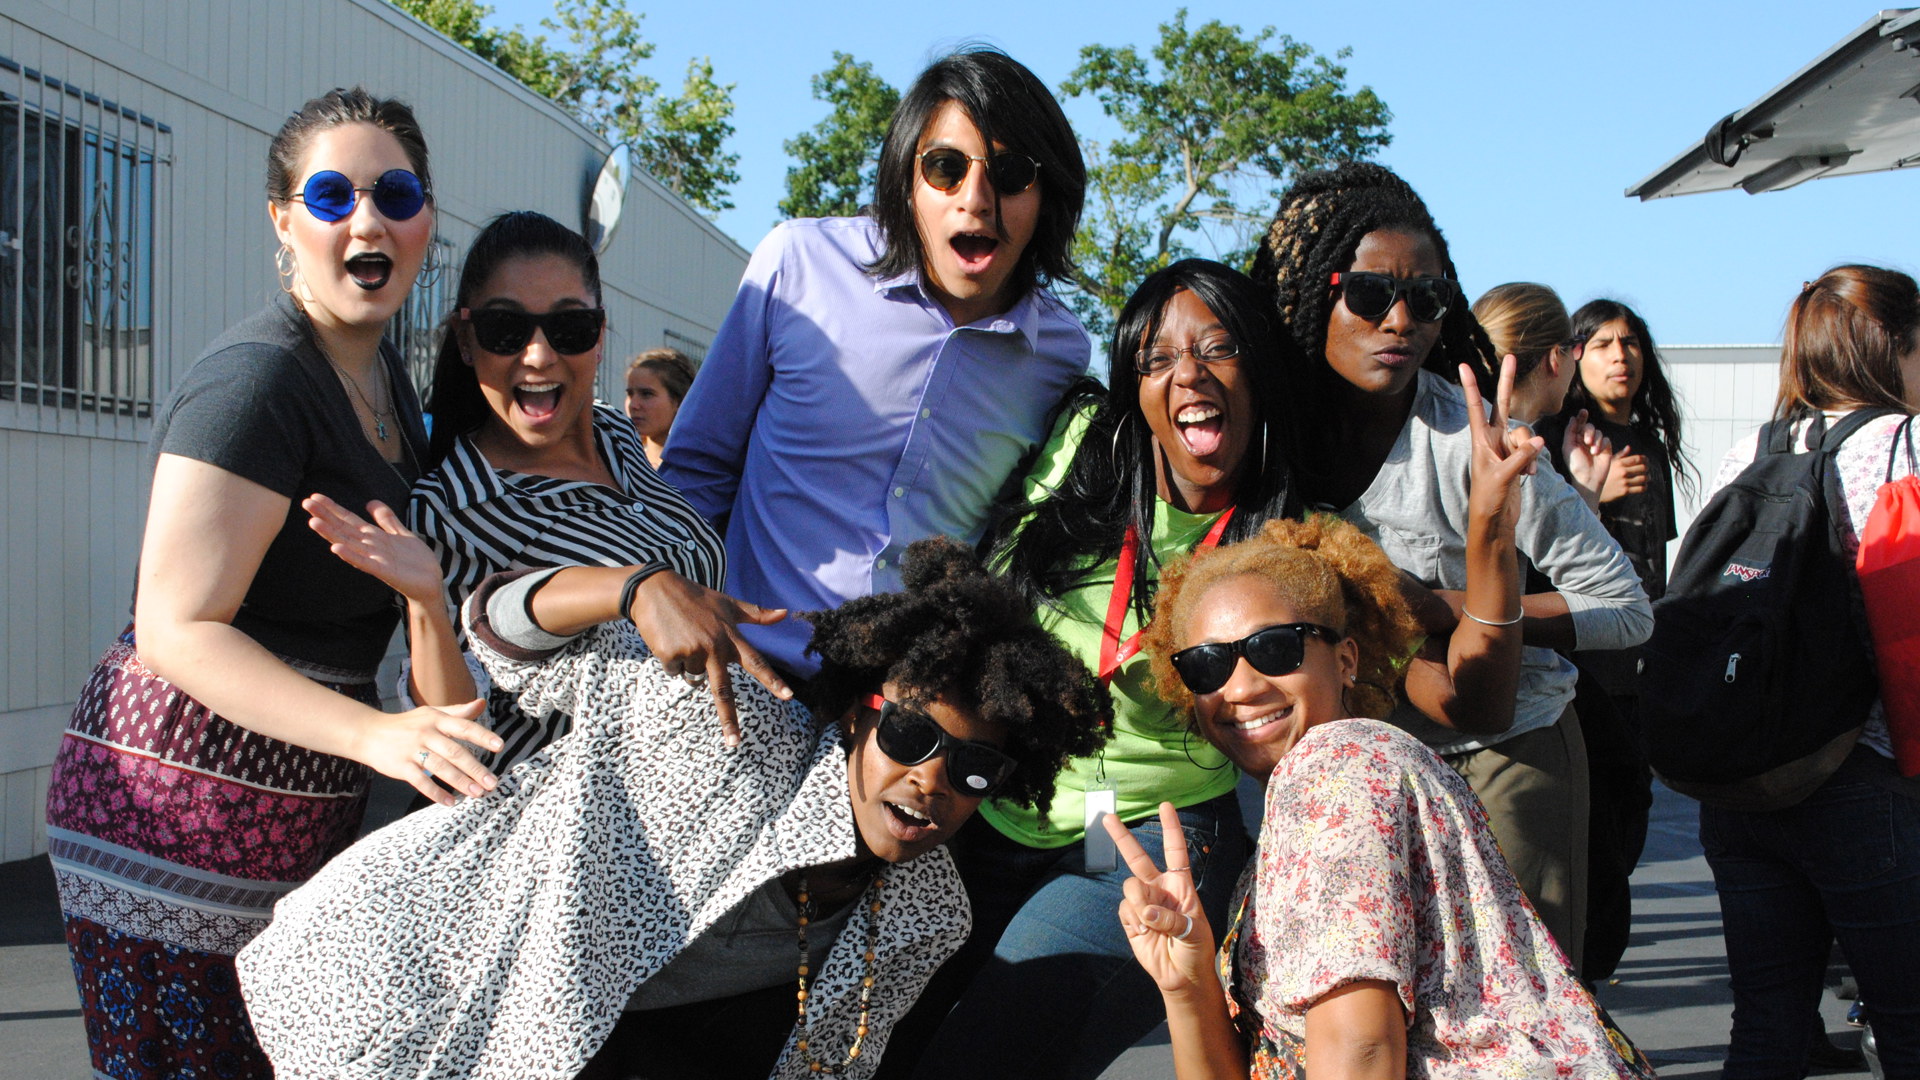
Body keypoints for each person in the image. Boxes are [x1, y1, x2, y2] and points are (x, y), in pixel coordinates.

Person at [234, 536, 1111, 1080]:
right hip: (406, 971)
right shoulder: (724, 727)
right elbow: (495, 628)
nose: (932, 782)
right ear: (857, 714)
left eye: (977, 769)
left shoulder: (926, 913)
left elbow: (823, 1068)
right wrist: (633, 586)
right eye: (913, 735)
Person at [41, 88, 502, 1080]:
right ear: (284, 221)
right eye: (332, 196)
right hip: (167, 829)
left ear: (427, 224)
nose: (367, 219)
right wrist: (377, 736)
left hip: (289, 828)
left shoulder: (386, 388)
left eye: (397, 194)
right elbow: (176, 626)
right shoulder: (256, 380)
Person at [1250, 162, 1652, 975]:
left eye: (1428, 299)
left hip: (1509, 752)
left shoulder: (1478, 439)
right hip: (1355, 767)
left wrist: (1440, 605)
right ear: (1307, 293)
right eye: (1367, 294)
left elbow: (1626, 606)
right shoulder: (1268, 438)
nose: (1400, 320)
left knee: (1516, 1022)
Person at [659, 45, 1090, 681]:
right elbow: (696, 472)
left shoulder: (1060, 355)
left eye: (1009, 173)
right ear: (905, 180)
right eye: (945, 167)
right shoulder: (797, 265)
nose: (975, 198)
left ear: (1048, 193)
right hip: (746, 676)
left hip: (904, 720)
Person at [411, 211, 777, 771]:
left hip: (712, 791)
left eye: (569, 328)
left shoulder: (614, 434)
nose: (538, 355)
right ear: (466, 339)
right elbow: (462, 735)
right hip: (589, 829)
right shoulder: (452, 508)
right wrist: (636, 588)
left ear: (600, 336)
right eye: (505, 329)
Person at [1697, 265, 1920, 1079]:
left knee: (1766, 1024)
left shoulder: (1746, 455)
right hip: (1865, 774)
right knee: (1908, 1021)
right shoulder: (1908, 444)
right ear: (1895, 345)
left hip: (1743, 782)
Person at [1471, 282, 1612, 507]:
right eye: (1575, 347)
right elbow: (1570, 543)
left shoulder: (1449, 432)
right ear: (1555, 357)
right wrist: (1588, 495)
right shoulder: (1525, 459)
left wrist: (1587, 484)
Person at [624, 346, 699, 468]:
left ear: (678, 401)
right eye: (630, 394)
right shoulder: (620, 461)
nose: (634, 405)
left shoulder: (697, 466)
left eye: (646, 394)